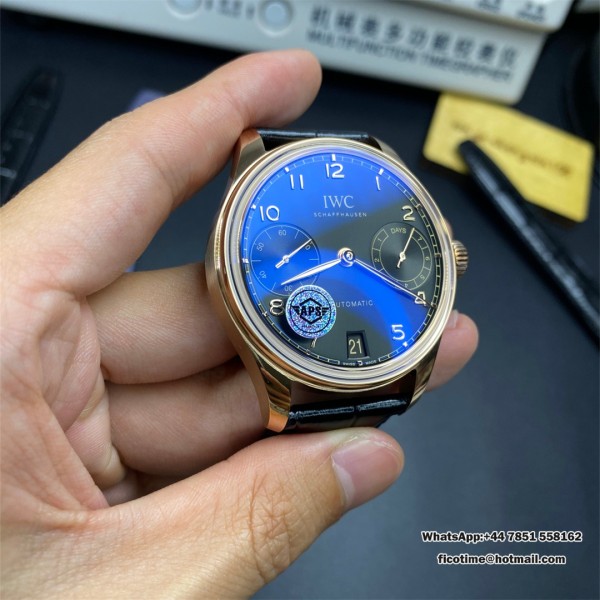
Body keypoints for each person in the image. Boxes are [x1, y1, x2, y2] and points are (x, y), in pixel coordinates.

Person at [0, 50, 478, 597]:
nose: (346, 255)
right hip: (293, 351)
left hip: (395, 356)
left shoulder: (382, 177)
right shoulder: (263, 171)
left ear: (448, 257)